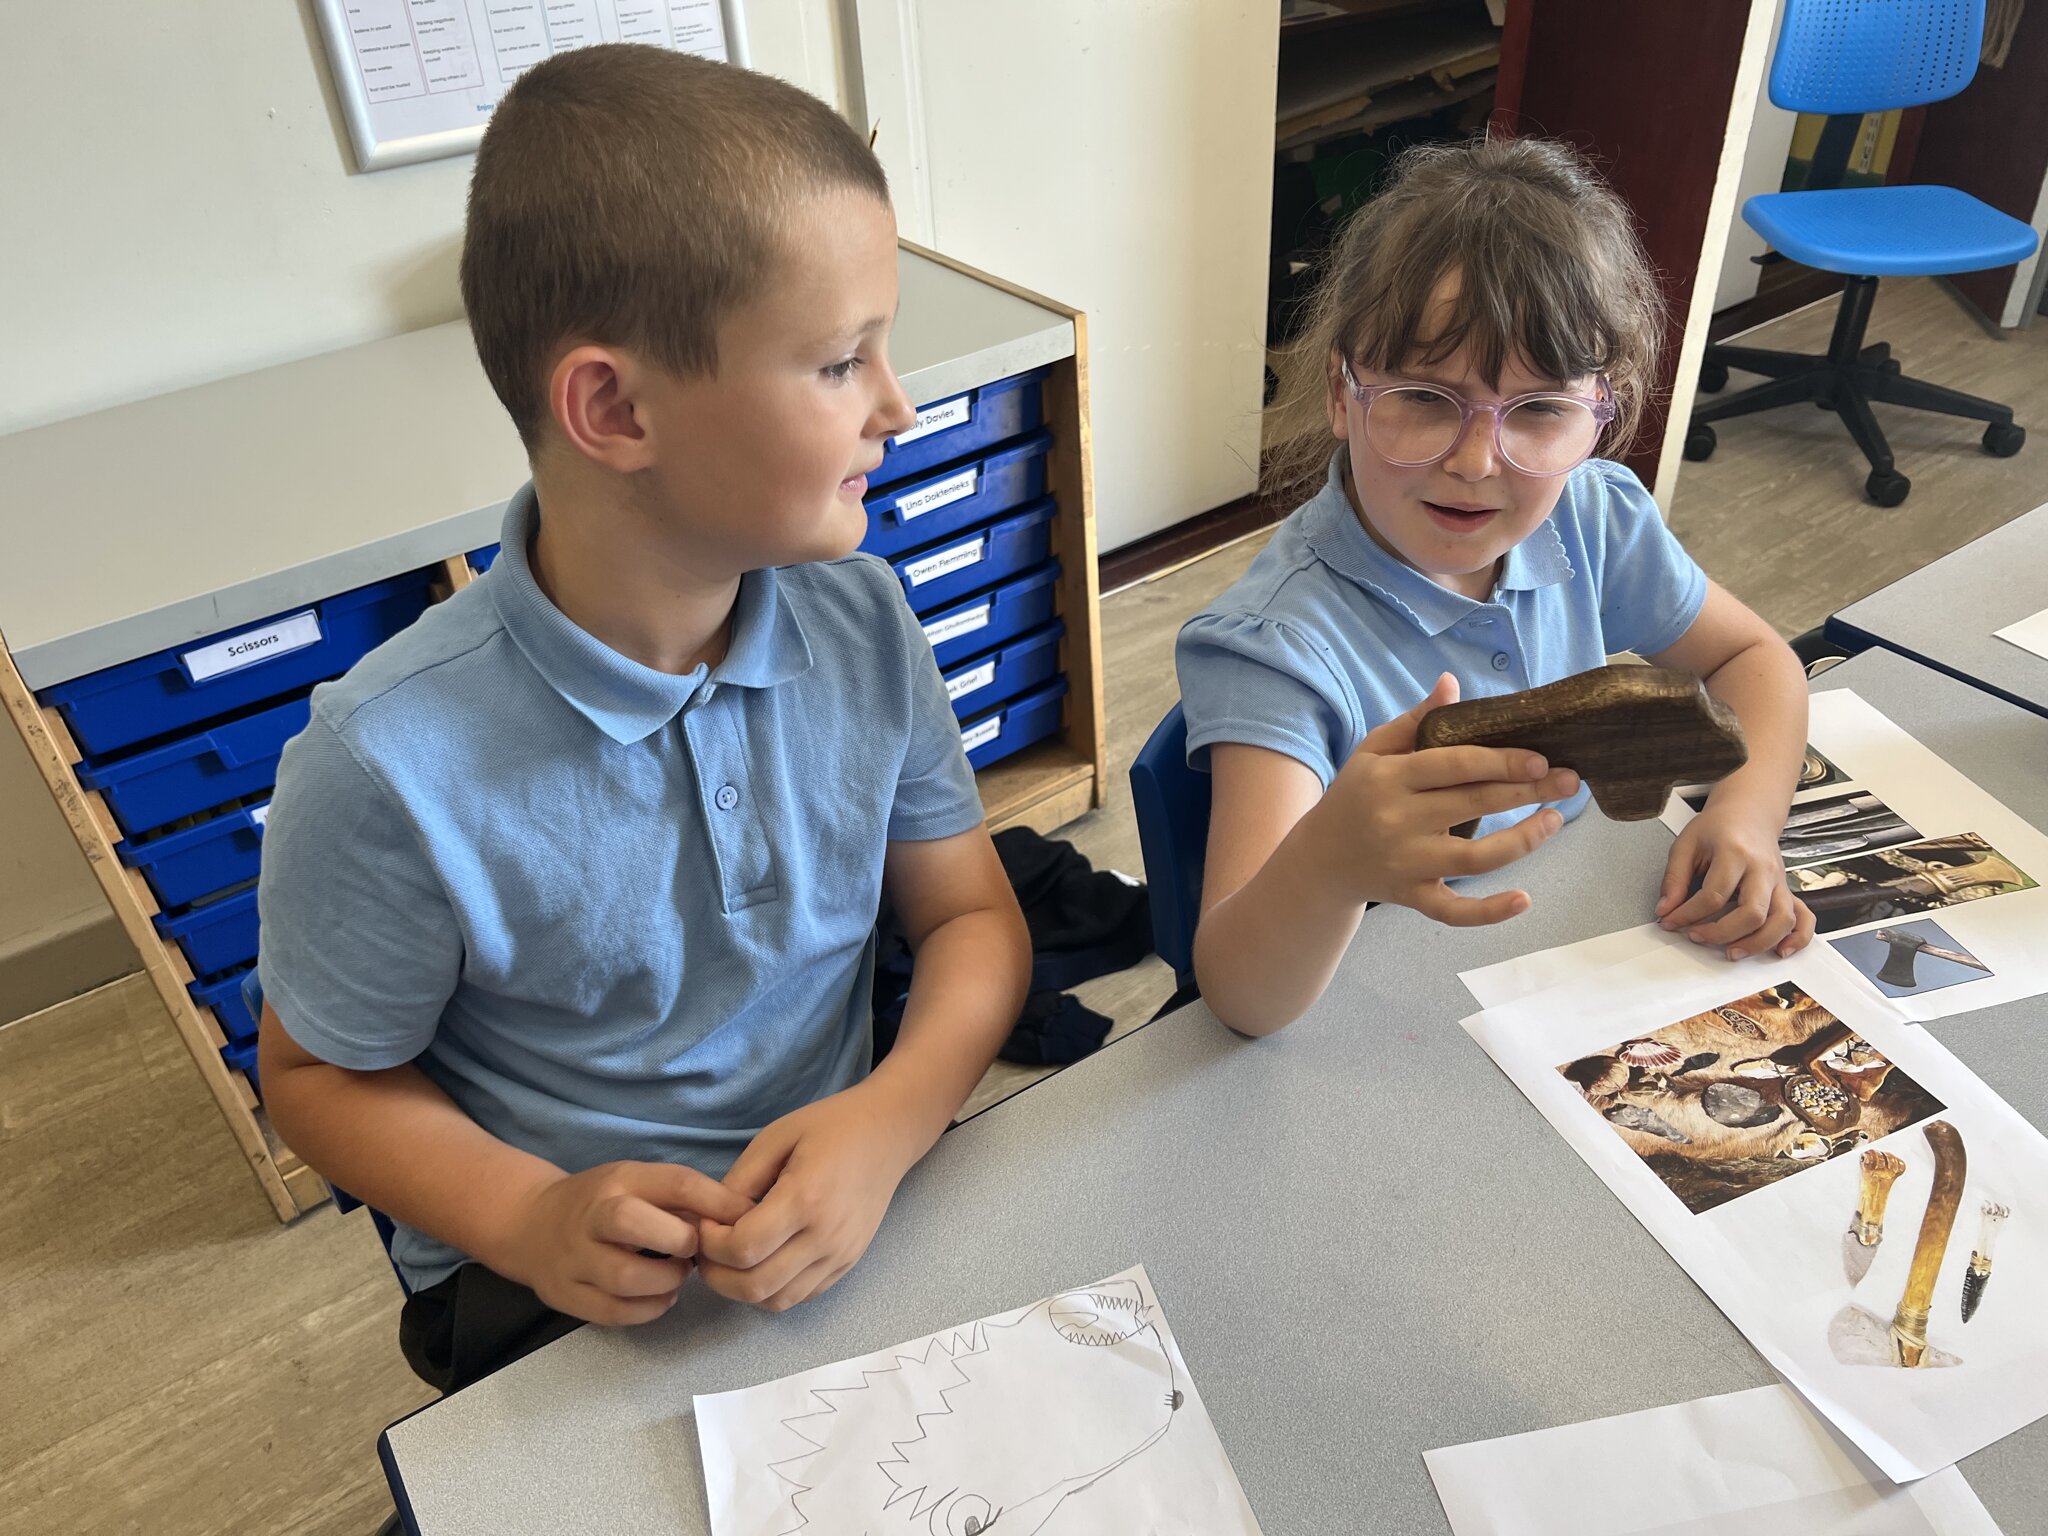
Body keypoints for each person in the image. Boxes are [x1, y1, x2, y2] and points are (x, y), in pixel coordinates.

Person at [255, 44, 1030, 1391]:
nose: (897, 407)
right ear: (613, 407)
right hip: (564, 1284)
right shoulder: (384, 765)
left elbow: (970, 919)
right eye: (843, 362)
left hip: (846, 1196)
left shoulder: (864, 622)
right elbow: (319, 1080)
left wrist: (892, 1118)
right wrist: (527, 1217)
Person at [1177, 137, 1814, 1037]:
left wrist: (1747, 818)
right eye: (1424, 398)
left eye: (1541, 410)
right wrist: (1328, 865)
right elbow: (1242, 997)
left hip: (1584, 940)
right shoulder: (1276, 647)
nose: (1476, 462)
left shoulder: (1591, 517)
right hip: (1391, 1010)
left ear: (1602, 412)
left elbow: (1755, 658)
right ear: (1339, 392)